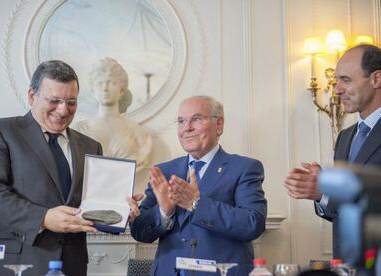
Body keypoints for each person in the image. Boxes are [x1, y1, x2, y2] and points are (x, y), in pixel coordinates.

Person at [0, 60, 142, 276]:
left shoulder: (90, 146)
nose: (63, 110)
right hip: (9, 264)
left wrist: (120, 207)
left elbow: (91, 208)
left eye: (71, 102)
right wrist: (44, 218)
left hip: (70, 265)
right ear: (32, 96)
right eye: (54, 100)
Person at [129, 95, 267, 276]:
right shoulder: (163, 171)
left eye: (196, 119)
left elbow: (253, 223)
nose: (187, 128)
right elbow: (141, 233)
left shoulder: (244, 168)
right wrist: (164, 212)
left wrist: (197, 204)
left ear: (219, 125)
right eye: (181, 121)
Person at [284, 44, 381, 257]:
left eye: (346, 80)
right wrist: (322, 196)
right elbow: (342, 213)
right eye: (337, 80)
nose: (336, 89)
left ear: (376, 79)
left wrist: (325, 192)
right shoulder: (345, 136)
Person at [73, 57, 152, 171]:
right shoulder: (79, 130)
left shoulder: (138, 133)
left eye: (111, 83)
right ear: (93, 89)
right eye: (100, 83)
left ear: (121, 90)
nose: (105, 88)